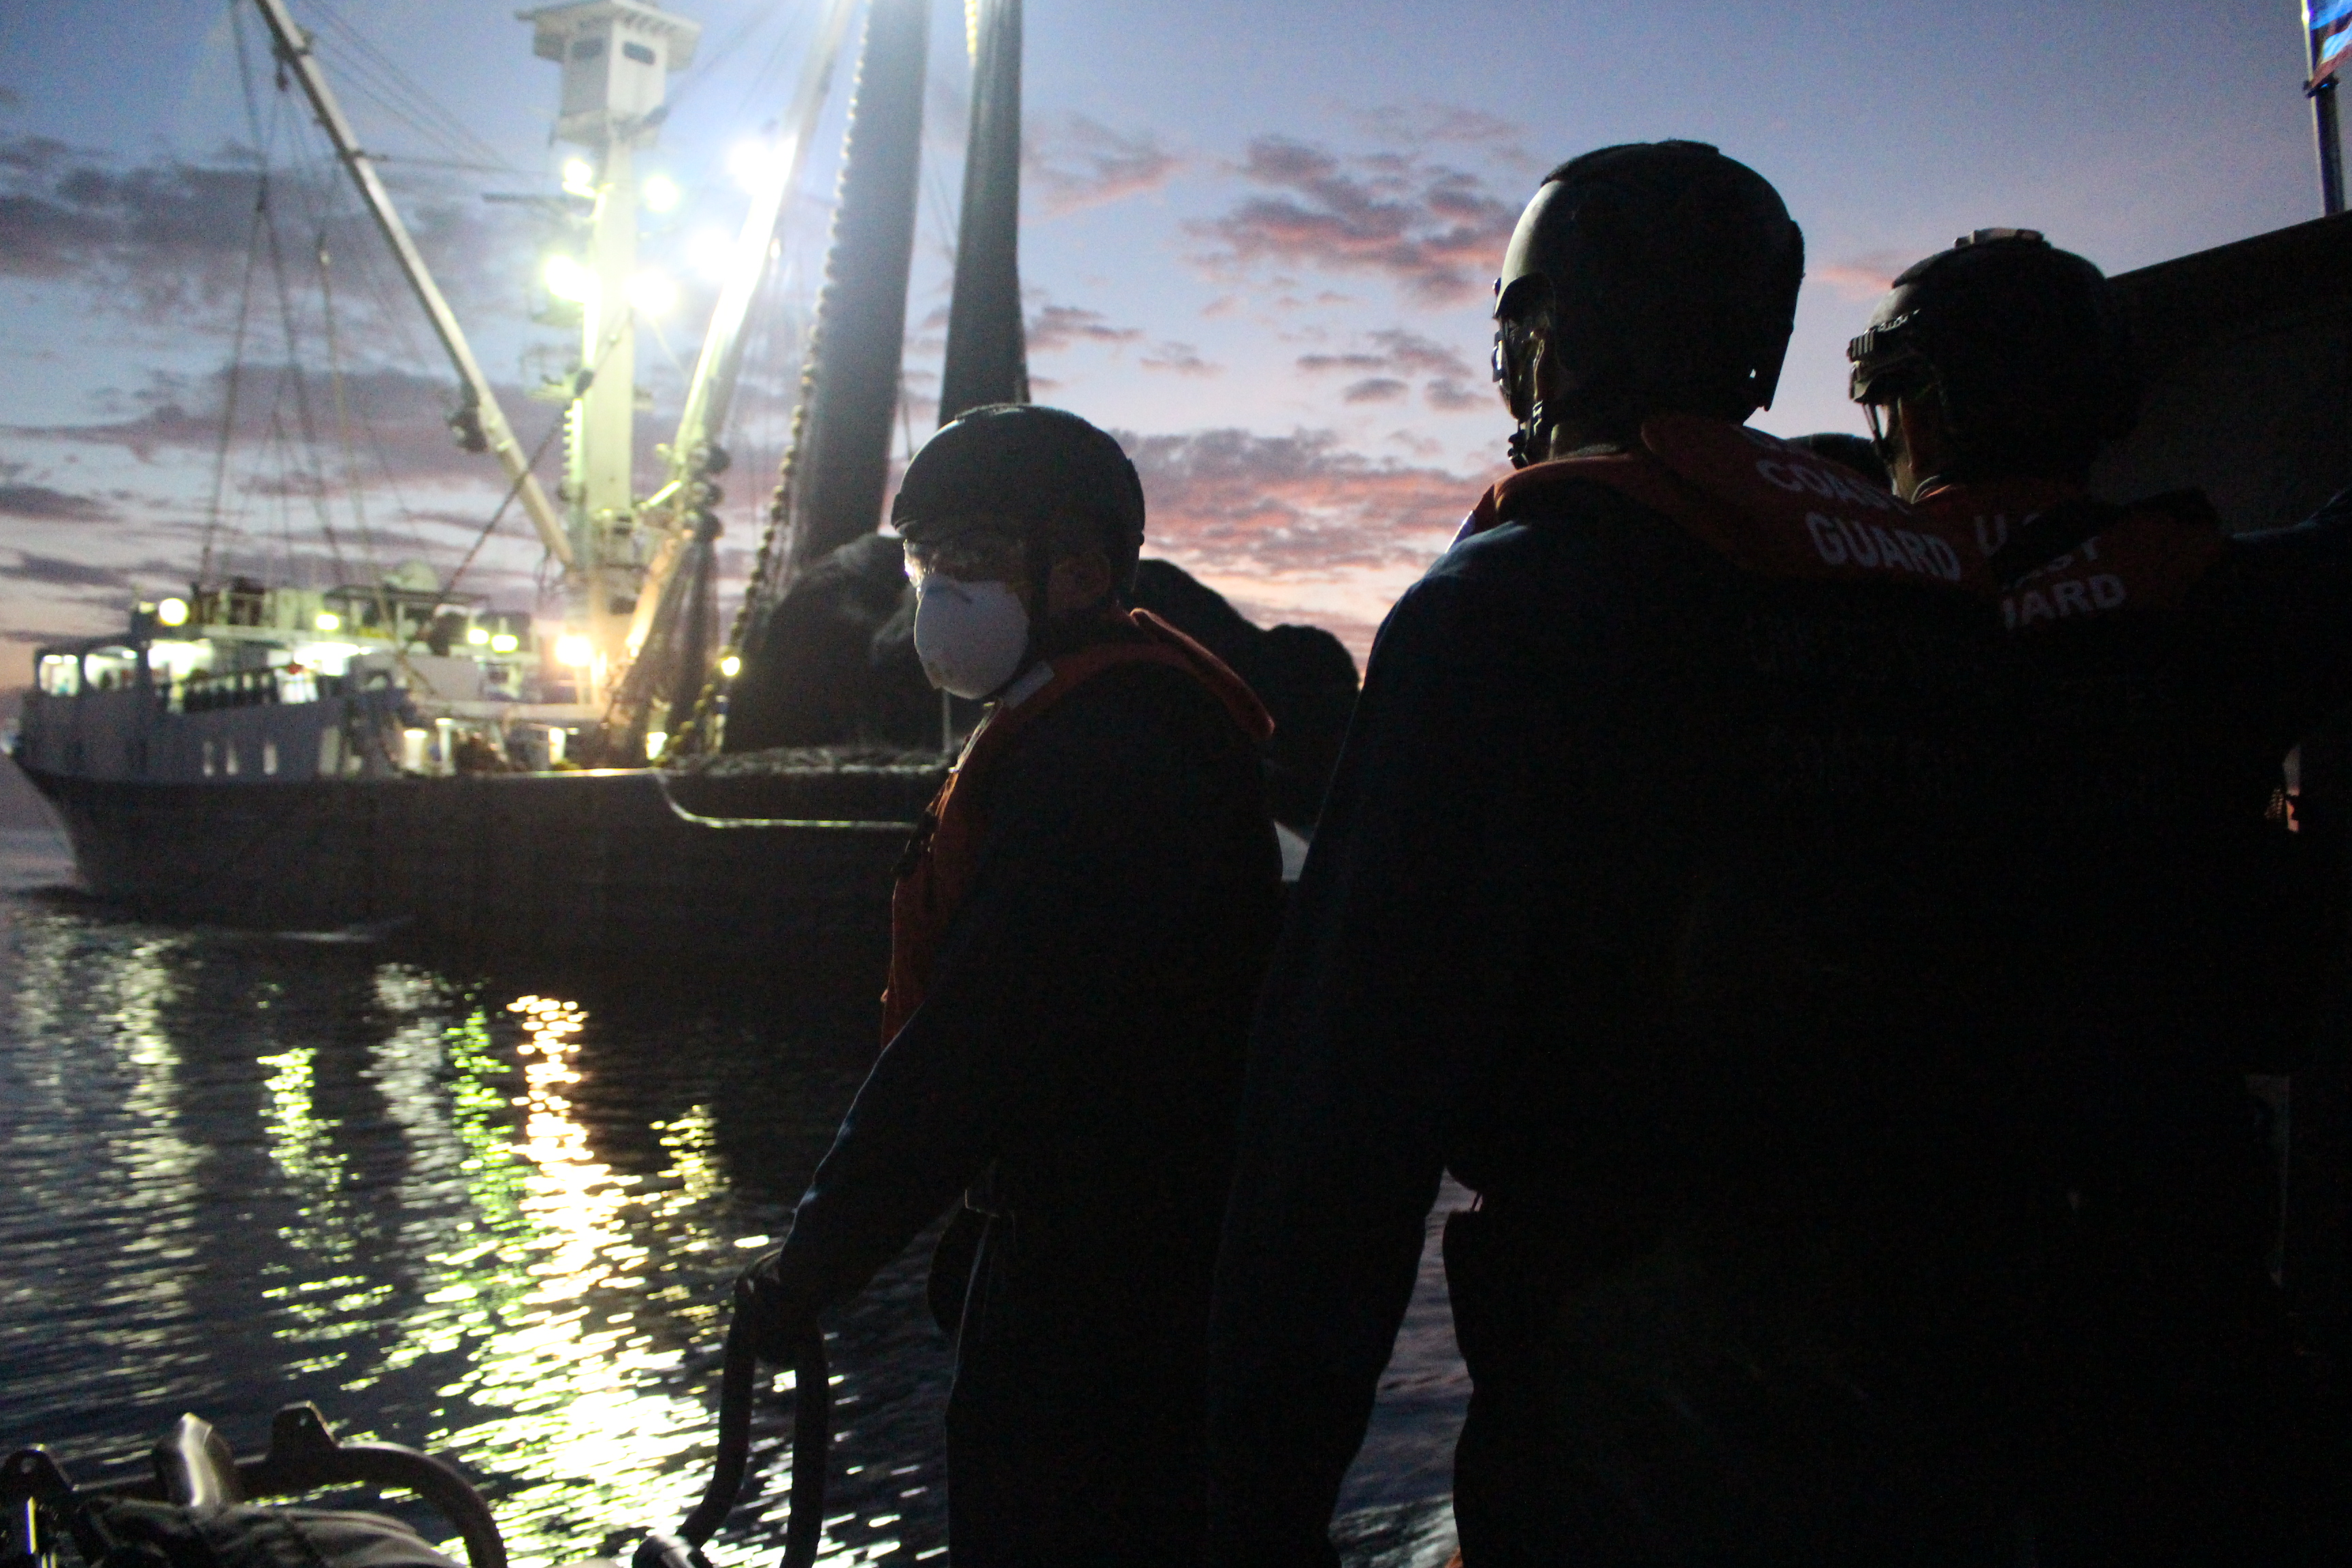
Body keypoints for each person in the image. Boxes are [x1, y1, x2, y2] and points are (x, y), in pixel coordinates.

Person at [1205, 141, 2086, 1567]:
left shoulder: (1514, 600)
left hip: (1633, 1401)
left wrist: (1263, 1485)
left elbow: (1345, 1100)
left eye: (1508, 318)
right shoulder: (1946, 610)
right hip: (1957, 1353)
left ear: (1546, 338)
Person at [1850, 231, 2352, 1556]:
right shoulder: (2221, 597)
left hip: (1902, 1251)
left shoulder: (1822, 618)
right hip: (2179, 1221)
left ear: (1924, 403)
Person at [740, 404, 1284, 1567]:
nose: (940, 592)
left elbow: (973, 1041)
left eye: (972, 560)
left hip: (1117, 1303)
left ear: (1079, 574)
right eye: (926, 562)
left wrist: (812, 1266)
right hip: (1138, 1259)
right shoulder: (1111, 728)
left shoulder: (1107, 763)